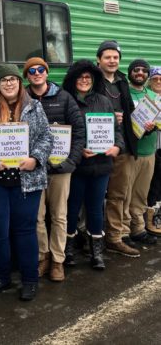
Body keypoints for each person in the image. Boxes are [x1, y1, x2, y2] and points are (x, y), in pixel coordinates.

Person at [0, 64, 53, 301]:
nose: (8, 83)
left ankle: (29, 280)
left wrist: (35, 159)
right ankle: (1, 277)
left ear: (19, 82)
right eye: (3, 80)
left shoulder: (34, 107)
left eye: (12, 79)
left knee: (25, 231)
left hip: (25, 181)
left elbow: (47, 137)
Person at [24, 57, 85, 282]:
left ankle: (58, 261)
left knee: (59, 216)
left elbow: (79, 132)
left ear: (47, 73)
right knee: (36, 217)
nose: (37, 73)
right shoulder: (22, 98)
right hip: (33, 168)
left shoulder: (64, 98)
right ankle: (43, 257)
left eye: (41, 69)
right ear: (27, 75)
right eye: (32, 71)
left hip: (61, 168)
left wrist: (71, 162)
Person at [62, 60, 123, 270]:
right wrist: (77, 151)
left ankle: (96, 252)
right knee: (72, 208)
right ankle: (67, 249)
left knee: (96, 208)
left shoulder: (104, 101)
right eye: (80, 77)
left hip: (101, 164)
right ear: (73, 79)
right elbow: (60, 134)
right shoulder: (66, 101)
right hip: (77, 165)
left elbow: (116, 131)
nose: (84, 81)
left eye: (88, 77)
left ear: (93, 79)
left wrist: (117, 147)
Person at [96, 40, 140, 257]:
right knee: (93, 195)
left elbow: (130, 110)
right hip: (97, 145)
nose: (112, 61)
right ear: (99, 60)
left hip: (121, 144)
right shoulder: (92, 79)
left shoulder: (122, 81)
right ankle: (91, 238)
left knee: (118, 192)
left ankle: (115, 237)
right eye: (107, 57)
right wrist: (108, 116)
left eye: (115, 57)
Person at [122, 59, 157, 246]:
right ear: (130, 72)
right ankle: (124, 231)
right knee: (125, 193)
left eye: (144, 70)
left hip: (149, 151)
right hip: (130, 151)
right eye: (136, 70)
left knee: (141, 194)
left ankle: (138, 228)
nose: (140, 73)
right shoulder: (124, 93)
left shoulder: (153, 95)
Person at [145, 66, 161, 236]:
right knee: (153, 184)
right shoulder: (146, 97)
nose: (158, 81)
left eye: (160, 79)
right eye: (155, 78)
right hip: (151, 145)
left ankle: (157, 216)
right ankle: (150, 219)